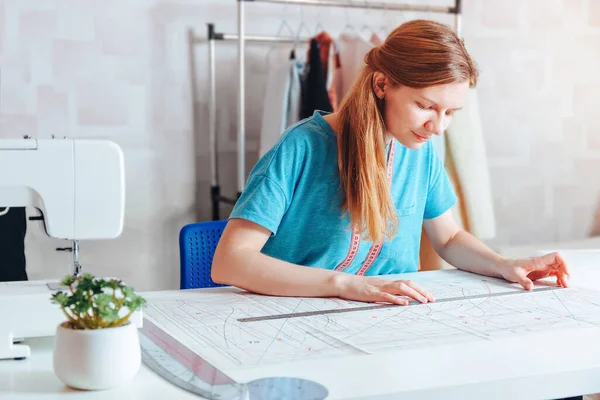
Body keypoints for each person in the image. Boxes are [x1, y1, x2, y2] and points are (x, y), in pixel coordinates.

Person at [211, 19, 570, 306]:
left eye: (450, 113)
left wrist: (505, 265)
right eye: (426, 106)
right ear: (383, 84)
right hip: (294, 317)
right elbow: (230, 261)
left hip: (388, 317)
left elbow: (449, 238)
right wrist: (345, 285)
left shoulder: (420, 150)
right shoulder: (301, 147)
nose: (438, 126)